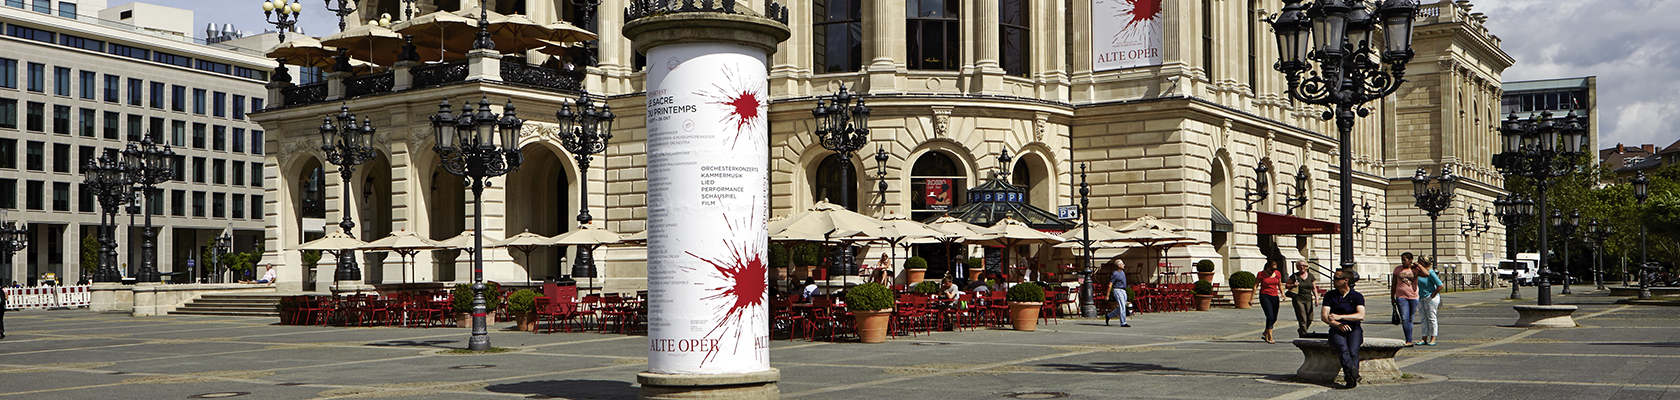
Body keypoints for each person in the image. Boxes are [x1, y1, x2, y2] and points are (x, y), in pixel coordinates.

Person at [1322, 268, 1367, 388]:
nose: (1333, 280)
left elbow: (1360, 315)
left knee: (1353, 351)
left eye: (1336, 278)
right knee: (1342, 348)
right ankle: (1353, 373)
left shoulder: (1357, 296)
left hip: (1354, 328)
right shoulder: (1330, 295)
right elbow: (1324, 316)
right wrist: (1338, 324)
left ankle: (1350, 376)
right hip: (1336, 328)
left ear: (1345, 281)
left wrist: (1339, 316)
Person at [1391, 252, 1420, 346]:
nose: (1403, 262)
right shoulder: (1398, 269)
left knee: (1411, 319)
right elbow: (1394, 283)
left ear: (1411, 260)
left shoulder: (1416, 269)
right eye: (1402, 260)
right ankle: (1408, 339)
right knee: (1404, 318)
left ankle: (1409, 337)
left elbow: (1426, 273)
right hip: (1401, 297)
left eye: (1405, 259)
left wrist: (1418, 265)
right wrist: (1392, 297)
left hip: (1413, 296)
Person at [1285, 259, 1318, 336]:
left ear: (1306, 266)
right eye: (1300, 266)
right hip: (1298, 299)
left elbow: (1314, 288)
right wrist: (1293, 285)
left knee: (1310, 318)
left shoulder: (1310, 276)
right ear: (1297, 267)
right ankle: (1304, 333)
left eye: (1304, 265)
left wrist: (1316, 298)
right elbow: (1287, 285)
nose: (1302, 267)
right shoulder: (1295, 276)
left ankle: (1301, 330)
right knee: (1302, 318)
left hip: (1308, 298)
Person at [1257, 259, 1285, 343]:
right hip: (1265, 296)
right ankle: (1270, 337)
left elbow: (1279, 284)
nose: (1273, 271)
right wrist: (1251, 298)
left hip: (1275, 296)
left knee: (1274, 317)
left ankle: (1266, 332)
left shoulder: (1277, 274)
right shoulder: (1261, 274)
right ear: (1267, 268)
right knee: (1269, 316)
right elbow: (1255, 286)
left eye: (1275, 269)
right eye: (1272, 269)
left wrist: (1282, 293)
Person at [1416, 259, 1443, 346]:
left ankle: (1433, 337)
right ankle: (1424, 337)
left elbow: (1440, 285)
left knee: (1431, 318)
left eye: (1420, 262)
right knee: (1423, 318)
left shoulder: (1430, 272)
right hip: (1421, 297)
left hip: (1430, 297)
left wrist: (1433, 294)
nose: (1418, 263)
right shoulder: (1419, 272)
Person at [1104, 260, 1130, 327]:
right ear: (1118, 265)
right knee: (1122, 306)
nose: (1124, 265)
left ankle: (1109, 316)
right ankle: (1123, 322)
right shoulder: (1115, 274)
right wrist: (1107, 295)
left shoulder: (1122, 272)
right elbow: (1110, 284)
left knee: (1123, 306)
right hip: (1118, 290)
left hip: (1123, 290)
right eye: (1122, 264)